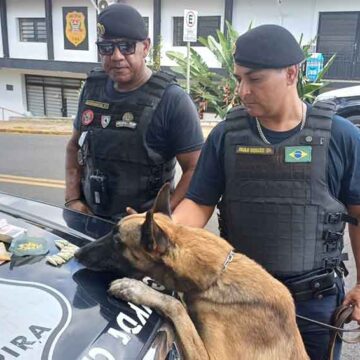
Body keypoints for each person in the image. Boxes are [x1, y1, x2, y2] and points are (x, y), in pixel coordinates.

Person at [173, 24, 360, 360]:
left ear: (291, 73)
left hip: (313, 307)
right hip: (239, 297)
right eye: (239, 78)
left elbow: (359, 216)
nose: (243, 90)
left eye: (254, 79)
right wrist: (164, 234)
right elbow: (198, 204)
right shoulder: (226, 137)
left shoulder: (341, 137)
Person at [65, 3, 203, 220]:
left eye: (127, 46)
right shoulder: (92, 89)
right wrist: (72, 199)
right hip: (91, 219)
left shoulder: (173, 100)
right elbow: (74, 146)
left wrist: (157, 217)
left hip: (142, 238)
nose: (117, 56)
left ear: (145, 47)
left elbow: (195, 169)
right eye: (107, 48)